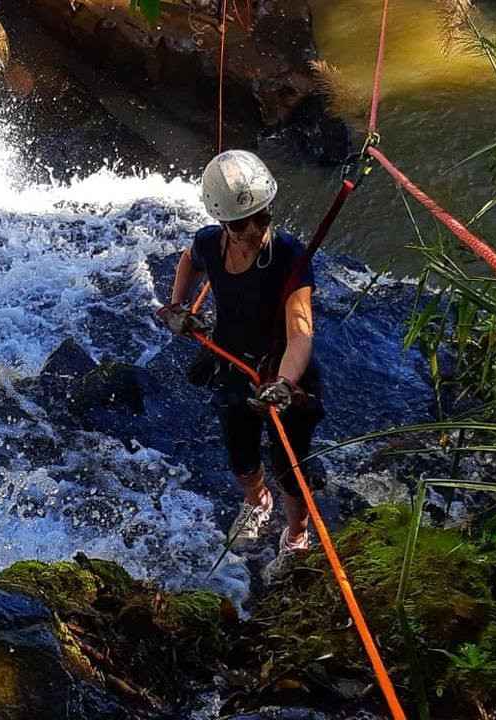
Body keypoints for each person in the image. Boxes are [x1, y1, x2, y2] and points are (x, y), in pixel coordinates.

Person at [156, 150, 325, 580]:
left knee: (292, 464)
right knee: (240, 452)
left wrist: (285, 383)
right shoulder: (210, 242)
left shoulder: (289, 256)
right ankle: (256, 501)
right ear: (222, 222)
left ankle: (296, 535)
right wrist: (177, 304)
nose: (252, 231)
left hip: (282, 369)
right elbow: (190, 259)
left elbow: (300, 328)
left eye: (262, 217)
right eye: (240, 223)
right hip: (231, 364)